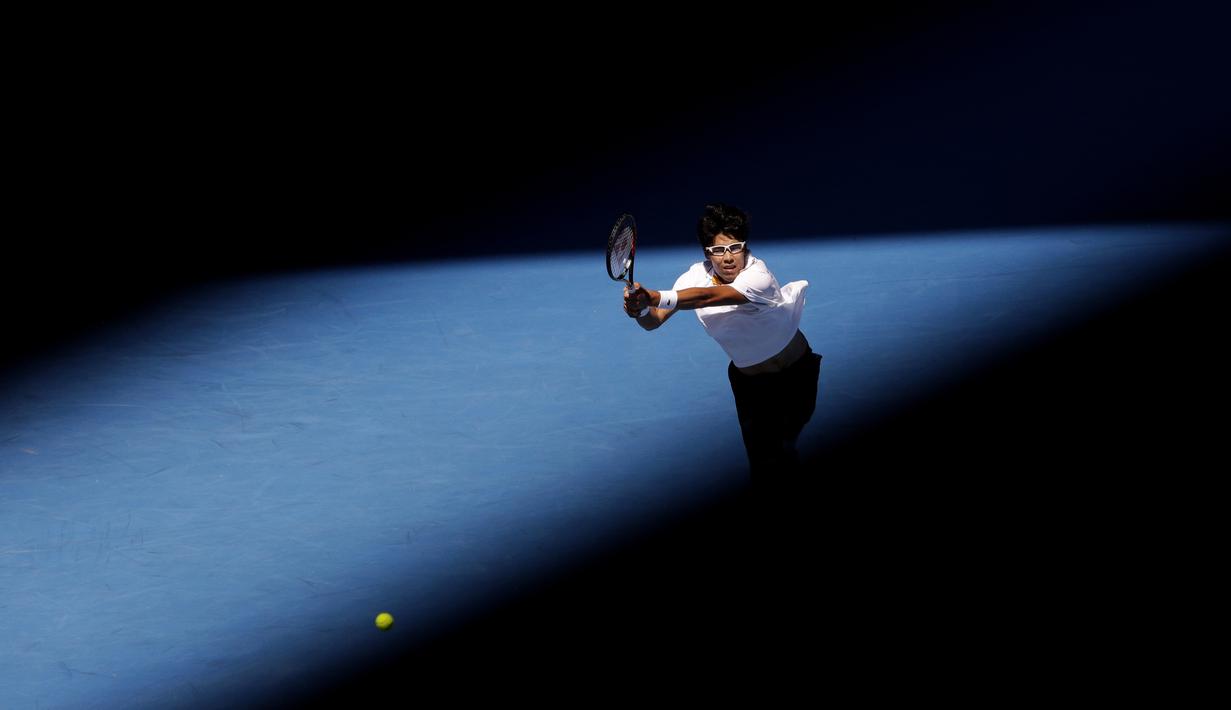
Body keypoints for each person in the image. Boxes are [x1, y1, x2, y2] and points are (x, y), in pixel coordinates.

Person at [623, 203, 821, 488]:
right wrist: (640, 310)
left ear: (745, 247)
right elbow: (654, 321)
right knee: (767, 462)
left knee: (783, 448)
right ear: (707, 253)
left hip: (797, 376)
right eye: (718, 250)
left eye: (735, 248)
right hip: (751, 386)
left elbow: (706, 298)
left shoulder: (758, 276)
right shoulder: (693, 277)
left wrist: (653, 295)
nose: (728, 258)